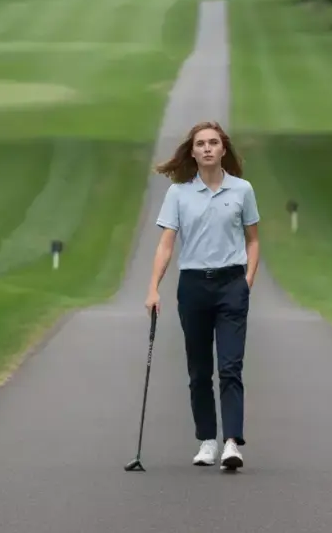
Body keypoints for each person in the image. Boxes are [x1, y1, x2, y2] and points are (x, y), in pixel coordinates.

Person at [145, 120, 260, 471]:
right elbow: (166, 245)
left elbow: (253, 240)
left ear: (223, 149)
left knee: (230, 366)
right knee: (199, 370)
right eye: (201, 144)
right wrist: (153, 287)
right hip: (193, 286)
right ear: (192, 152)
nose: (207, 148)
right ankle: (207, 440)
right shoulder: (179, 192)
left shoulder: (242, 190)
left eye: (213, 143)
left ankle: (231, 443)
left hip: (231, 285)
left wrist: (247, 282)